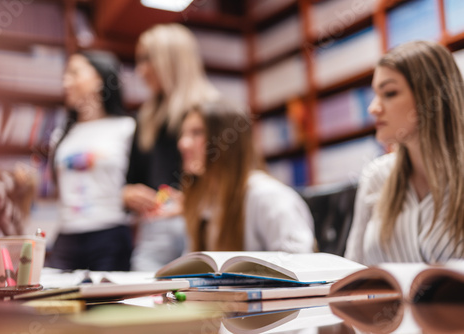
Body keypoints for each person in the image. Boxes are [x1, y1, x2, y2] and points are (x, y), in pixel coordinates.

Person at [345, 40, 464, 265]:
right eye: (375, 94)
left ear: (431, 97)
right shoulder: (376, 176)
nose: (373, 108)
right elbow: (352, 272)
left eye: (389, 93)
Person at [122, 24, 219, 270]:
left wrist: (194, 201)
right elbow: (133, 178)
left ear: (171, 60)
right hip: (155, 229)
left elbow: (230, 177)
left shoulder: (213, 110)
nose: (140, 70)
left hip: (201, 223)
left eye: (147, 59)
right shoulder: (145, 119)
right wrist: (129, 194)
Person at [177, 99, 315, 252]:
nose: (183, 144)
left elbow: (299, 263)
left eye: (197, 132)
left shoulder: (267, 196)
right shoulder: (205, 202)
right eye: (183, 134)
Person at [49, 50, 136, 271]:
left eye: (75, 73)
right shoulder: (61, 134)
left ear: (100, 78)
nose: (65, 82)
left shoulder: (127, 128)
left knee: (105, 305)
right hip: (66, 235)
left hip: (109, 236)